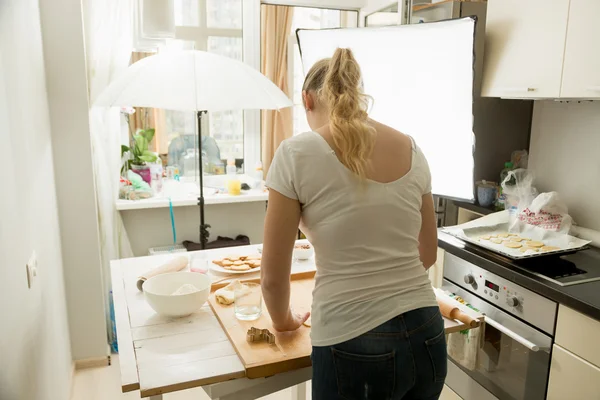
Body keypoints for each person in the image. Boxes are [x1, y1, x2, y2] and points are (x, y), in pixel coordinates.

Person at [261, 48, 446, 399]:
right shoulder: (412, 148)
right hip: (427, 333)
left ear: (307, 99)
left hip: (352, 344)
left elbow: (272, 280)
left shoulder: (294, 154)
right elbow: (428, 252)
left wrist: (284, 321)